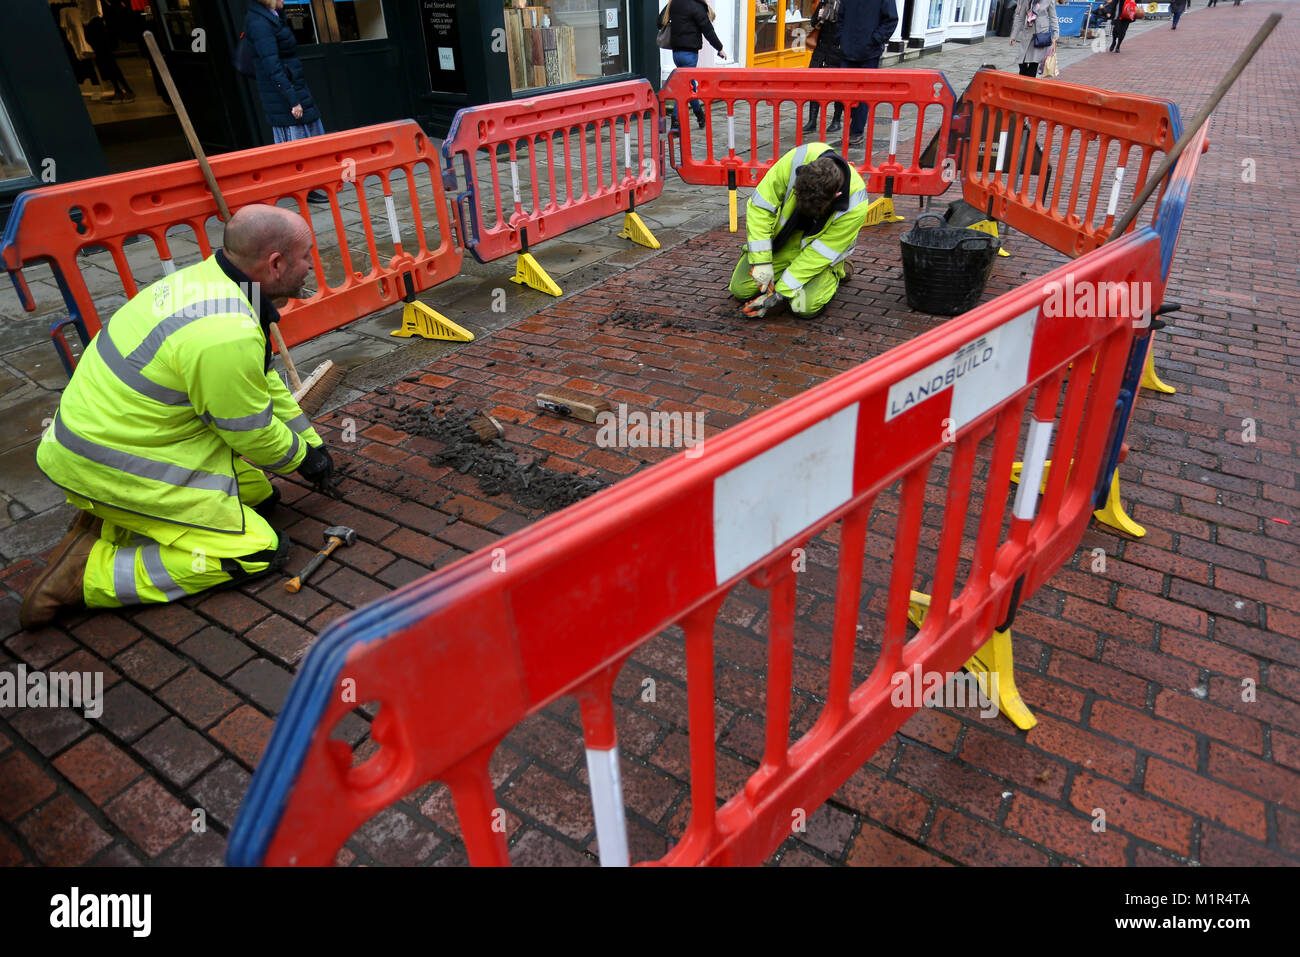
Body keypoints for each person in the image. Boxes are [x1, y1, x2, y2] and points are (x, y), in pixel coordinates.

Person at [20, 205, 335, 629]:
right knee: (260, 551)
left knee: (260, 495)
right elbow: (249, 431)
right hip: (113, 460)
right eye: (305, 256)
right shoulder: (227, 332)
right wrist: (303, 460)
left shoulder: (210, 281)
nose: (311, 265)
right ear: (275, 264)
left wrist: (310, 445)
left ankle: (112, 518)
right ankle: (87, 574)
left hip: (115, 438)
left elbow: (262, 385)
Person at [729, 143, 869, 319]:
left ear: (836, 196)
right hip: (784, 242)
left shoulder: (856, 205)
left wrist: (779, 293)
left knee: (802, 307)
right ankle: (782, 272)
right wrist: (761, 261)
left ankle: (837, 271)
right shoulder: (797, 159)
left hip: (816, 253)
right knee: (741, 290)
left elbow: (820, 253)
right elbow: (760, 209)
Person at [245, 0, 328, 202]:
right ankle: (302, 189)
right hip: (283, 92)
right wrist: (293, 100)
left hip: (292, 84)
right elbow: (272, 66)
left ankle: (309, 185)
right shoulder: (259, 22)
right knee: (295, 142)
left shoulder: (271, 16)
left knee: (306, 138)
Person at [839, 0, 899, 148]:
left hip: (869, 53)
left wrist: (876, 39)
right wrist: (840, 38)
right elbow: (841, 16)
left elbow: (891, 19)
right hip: (848, 50)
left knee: (863, 94)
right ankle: (851, 126)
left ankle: (856, 131)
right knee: (846, 93)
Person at [662, 0, 728, 130]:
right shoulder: (696, 6)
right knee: (684, 88)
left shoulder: (673, 3)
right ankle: (676, 123)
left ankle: (699, 115)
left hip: (676, 54)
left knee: (689, 86)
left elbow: (660, 21)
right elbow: (708, 30)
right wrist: (719, 48)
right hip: (689, 54)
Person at [803, 0, 846, 135]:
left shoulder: (846, 6)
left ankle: (836, 120)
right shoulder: (824, 3)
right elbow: (813, 23)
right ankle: (812, 121)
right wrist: (819, 16)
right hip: (821, 51)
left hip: (838, 51)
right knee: (814, 85)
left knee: (839, 87)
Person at [1010, 0, 1058, 75]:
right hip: (1028, 33)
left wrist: (1056, 34)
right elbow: (1020, 19)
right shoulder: (1026, 1)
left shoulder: (1048, 1)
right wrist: (1013, 36)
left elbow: (1053, 17)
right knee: (1021, 62)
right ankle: (1023, 80)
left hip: (1041, 35)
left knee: (1034, 64)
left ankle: (1028, 83)